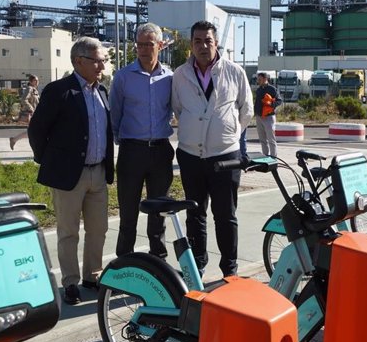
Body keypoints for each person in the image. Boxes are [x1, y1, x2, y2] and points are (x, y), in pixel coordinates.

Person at [28, 36, 114, 305]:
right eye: (98, 60)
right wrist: (48, 160)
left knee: (98, 229)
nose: (102, 66)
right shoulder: (59, 90)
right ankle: (70, 282)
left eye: (103, 60)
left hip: (98, 173)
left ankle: (92, 275)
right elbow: (37, 129)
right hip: (69, 176)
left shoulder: (101, 92)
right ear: (79, 61)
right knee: (68, 232)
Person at [172, 20, 253, 277]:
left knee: (225, 215)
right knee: (195, 215)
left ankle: (229, 269)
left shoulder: (234, 71)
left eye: (208, 40)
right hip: (190, 156)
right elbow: (178, 109)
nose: (203, 46)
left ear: (216, 43)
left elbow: (246, 109)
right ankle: (197, 266)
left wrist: (227, 134)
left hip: (225, 157)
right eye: (197, 41)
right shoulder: (180, 75)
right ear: (191, 45)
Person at [110, 22, 174, 259]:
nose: (144, 49)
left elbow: (172, 108)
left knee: (159, 212)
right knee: (128, 213)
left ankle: (159, 260)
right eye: (139, 45)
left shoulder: (170, 77)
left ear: (160, 45)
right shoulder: (123, 77)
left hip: (160, 152)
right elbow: (114, 113)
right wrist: (122, 141)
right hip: (131, 152)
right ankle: (124, 264)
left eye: (149, 44)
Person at [254, 72, 282, 157]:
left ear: (265, 79)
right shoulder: (259, 89)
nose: (258, 81)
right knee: (262, 139)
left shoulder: (272, 89)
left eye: (260, 79)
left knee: (271, 139)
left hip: (269, 117)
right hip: (259, 117)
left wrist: (271, 104)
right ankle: (265, 156)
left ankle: (273, 157)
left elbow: (279, 101)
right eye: (258, 79)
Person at [9, 74, 40, 150]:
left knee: (32, 131)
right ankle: (14, 140)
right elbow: (24, 99)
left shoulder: (34, 90)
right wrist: (31, 108)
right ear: (30, 81)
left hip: (34, 113)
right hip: (31, 113)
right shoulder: (29, 89)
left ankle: (14, 140)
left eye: (37, 80)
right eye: (35, 80)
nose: (37, 82)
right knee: (34, 131)